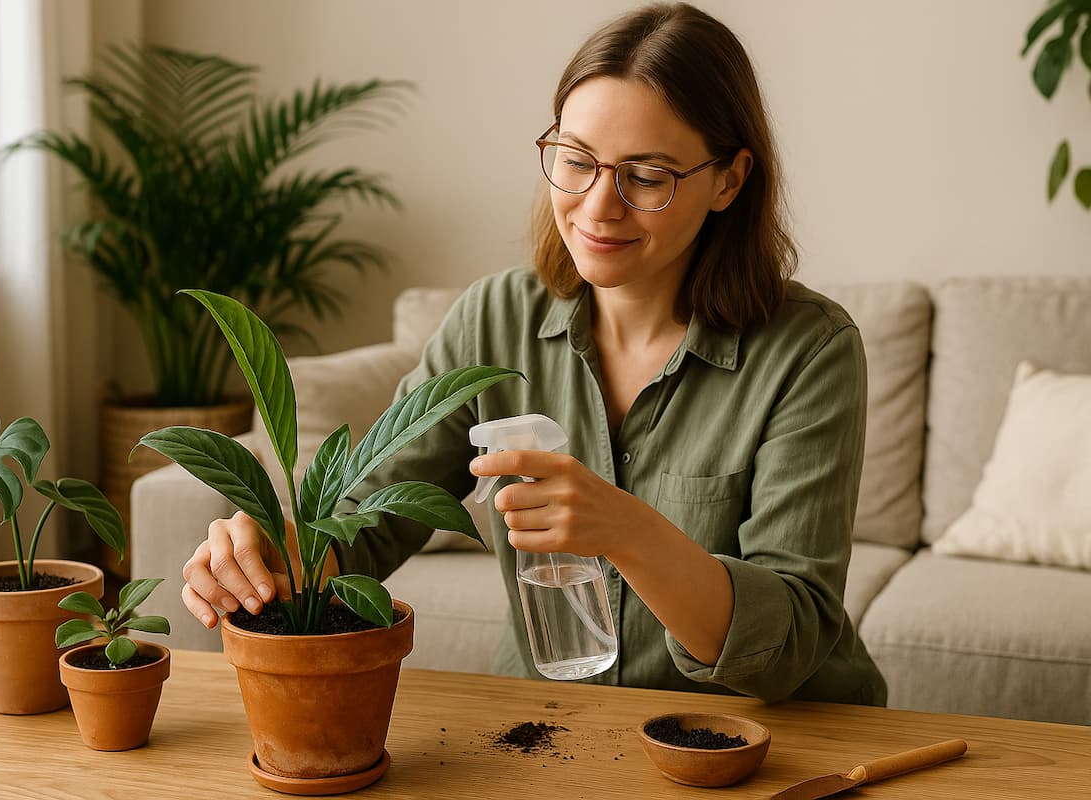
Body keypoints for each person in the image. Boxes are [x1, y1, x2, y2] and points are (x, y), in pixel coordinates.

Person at [181, 2, 887, 706]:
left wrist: (630, 532)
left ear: (729, 180)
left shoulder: (810, 351)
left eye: (646, 176)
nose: (597, 207)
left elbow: (790, 643)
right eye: (576, 161)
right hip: (553, 723)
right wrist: (269, 551)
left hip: (765, 739)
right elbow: (371, 519)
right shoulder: (492, 319)